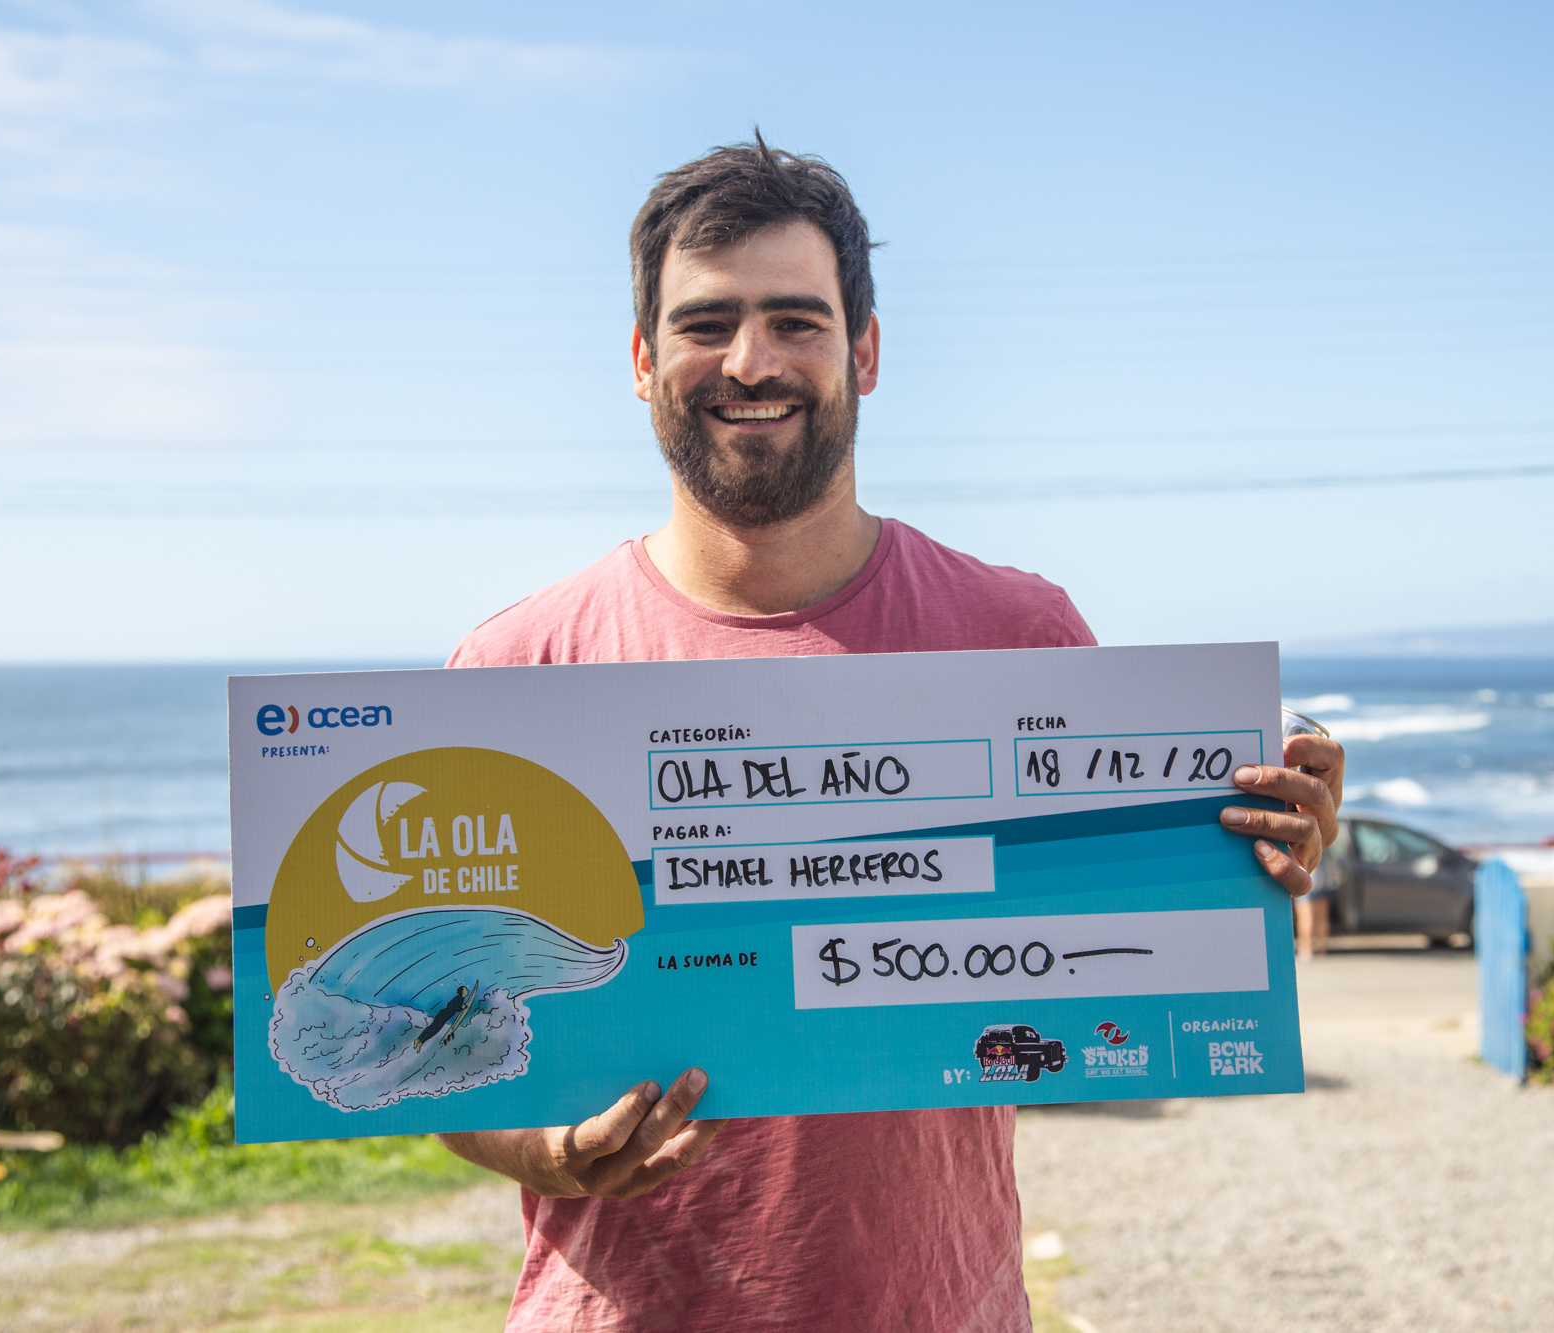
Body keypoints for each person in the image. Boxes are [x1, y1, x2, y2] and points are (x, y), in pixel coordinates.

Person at [436, 134, 1346, 1332]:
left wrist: (1255, 849)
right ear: (643, 360)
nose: (750, 360)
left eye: (795, 321)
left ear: (862, 352)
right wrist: (550, 1152)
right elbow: (448, 1060)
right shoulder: (514, 670)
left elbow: (1132, 958)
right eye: (706, 323)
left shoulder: (1017, 634)